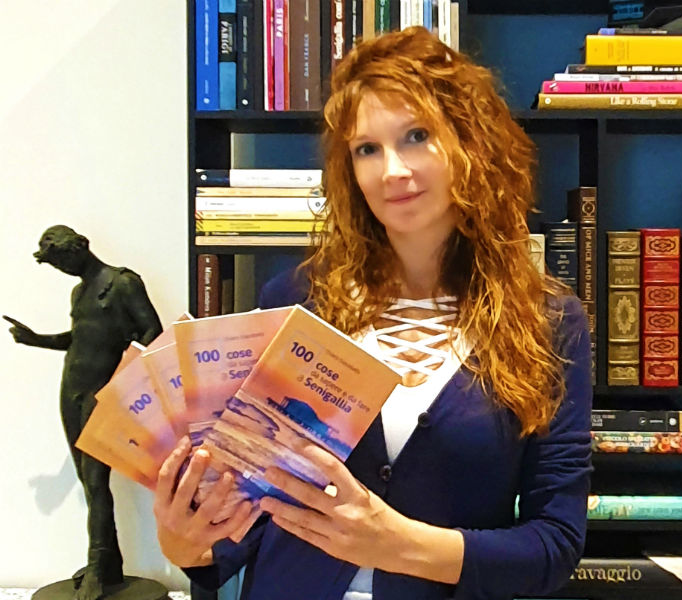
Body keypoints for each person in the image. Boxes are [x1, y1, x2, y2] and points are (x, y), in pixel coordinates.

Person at [153, 26, 592, 600]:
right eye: (367, 149)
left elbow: (554, 546)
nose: (392, 171)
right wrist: (186, 543)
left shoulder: (548, 321)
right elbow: (251, 513)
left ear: (470, 142)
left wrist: (396, 544)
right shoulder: (296, 301)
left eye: (416, 137)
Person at [5, 225, 163, 600]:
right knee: (88, 482)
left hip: (101, 395)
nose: (61, 268)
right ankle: (109, 564)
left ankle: (96, 568)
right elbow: (79, 338)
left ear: (79, 248)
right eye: (54, 264)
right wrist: (36, 339)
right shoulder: (79, 292)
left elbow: (153, 334)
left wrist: (125, 386)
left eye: (61, 259)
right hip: (71, 390)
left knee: (95, 481)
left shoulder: (122, 284)